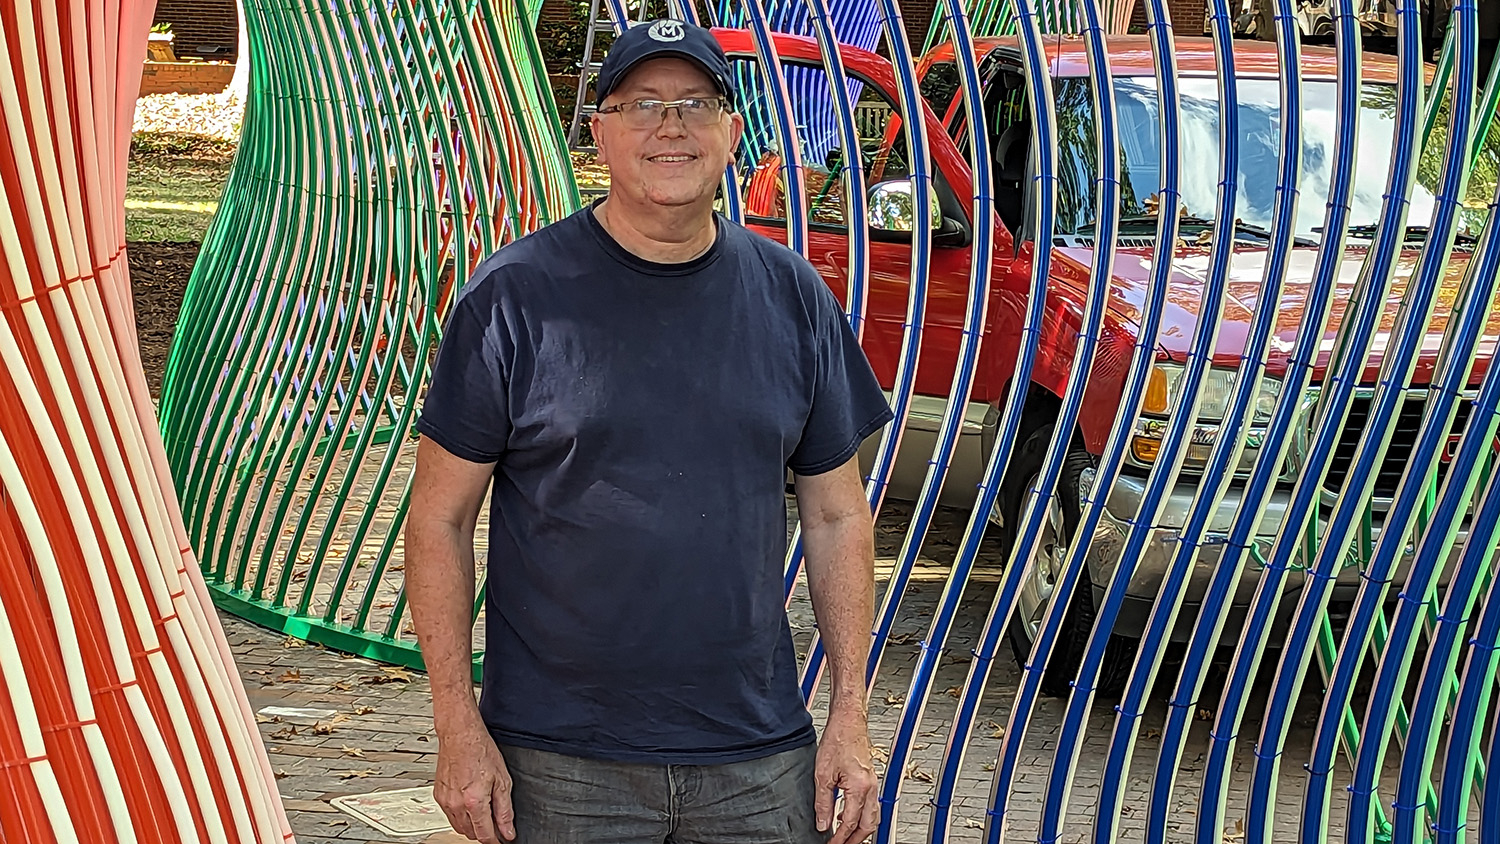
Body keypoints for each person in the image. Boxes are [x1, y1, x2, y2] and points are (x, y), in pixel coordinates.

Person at [405, 18, 892, 844]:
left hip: (757, 755)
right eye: (642, 105)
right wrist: (458, 729)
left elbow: (839, 516)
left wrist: (849, 716)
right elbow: (438, 520)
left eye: (696, 104)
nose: (672, 127)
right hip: (558, 758)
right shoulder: (515, 298)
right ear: (599, 133)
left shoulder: (792, 296)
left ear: (732, 134)